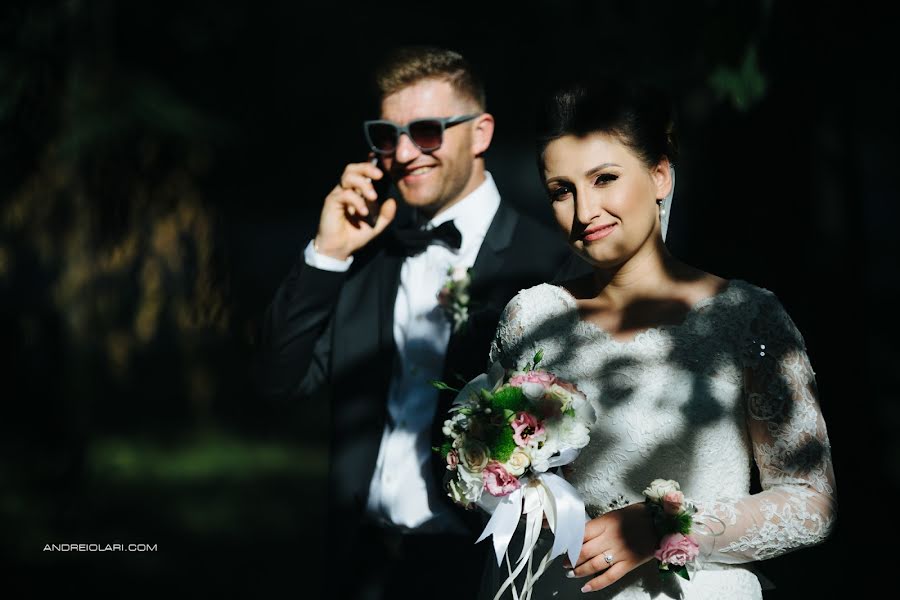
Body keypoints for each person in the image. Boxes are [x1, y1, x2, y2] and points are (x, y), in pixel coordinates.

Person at [480, 80, 837, 599]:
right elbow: (503, 480)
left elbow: (811, 501)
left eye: (604, 179)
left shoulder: (747, 318)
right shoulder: (530, 317)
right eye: (562, 190)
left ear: (660, 174)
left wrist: (670, 525)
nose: (584, 212)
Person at [258, 46, 570, 600]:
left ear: (480, 133)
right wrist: (327, 253)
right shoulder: (366, 257)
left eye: (426, 132)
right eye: (386, 135)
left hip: (477, 570)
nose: (403, 153)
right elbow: (280, 380)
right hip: (360, 565)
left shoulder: (546, 266)